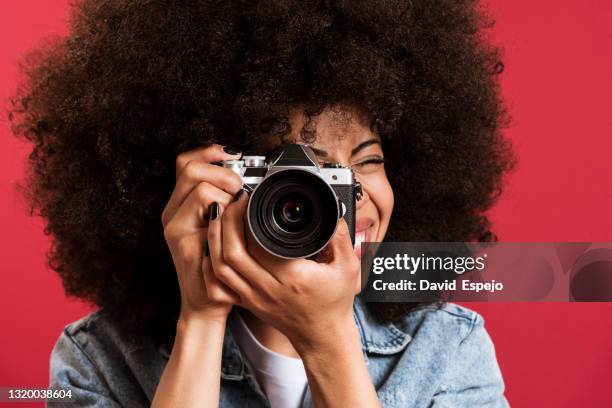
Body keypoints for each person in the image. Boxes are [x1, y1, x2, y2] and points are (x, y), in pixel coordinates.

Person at [10, 0, 514, 406]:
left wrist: (329, 341)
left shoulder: (448, 349)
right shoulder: (98, 357)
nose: (350, 196)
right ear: (217, 182)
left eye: (368, 160)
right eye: (303, 173)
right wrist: (202, 318)